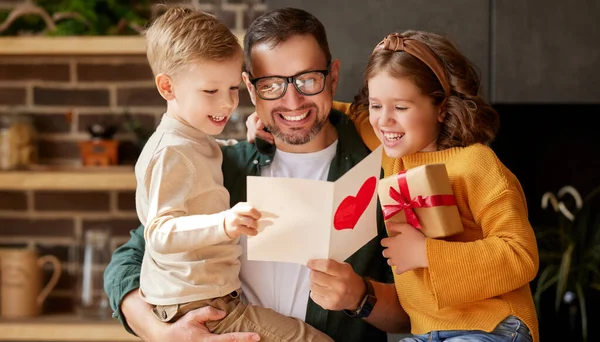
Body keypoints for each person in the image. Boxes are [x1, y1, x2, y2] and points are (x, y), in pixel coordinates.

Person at [104, 7, 407, 342]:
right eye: (272, 84)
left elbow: (421, 313)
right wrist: (162, 333)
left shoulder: (382, 169)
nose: (292, 101)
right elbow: (130, 259)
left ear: (332, 78)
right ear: (250, 87)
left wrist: (361, 297)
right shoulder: (223, 165)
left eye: (307, 80)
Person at [251, 30, 540, 342]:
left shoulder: (476, 163)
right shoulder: (391, 152)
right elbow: (337, 110)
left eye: (400, 108)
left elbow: (521, 255)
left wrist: (425, 253)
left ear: (440, 107)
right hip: (426, 333)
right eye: (376, 106)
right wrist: (274, 115)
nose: (384, 121)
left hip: (493, 326)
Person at [133, 7, 334, 342]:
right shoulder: (170, 151)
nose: (227, 103)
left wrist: (245, 139)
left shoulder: (196, 142)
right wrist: (223, 224)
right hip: (199, 304)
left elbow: (203, 160)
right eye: (211, 92)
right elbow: (157, 233)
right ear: (167, 87)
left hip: (211, 296)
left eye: (231, 89)